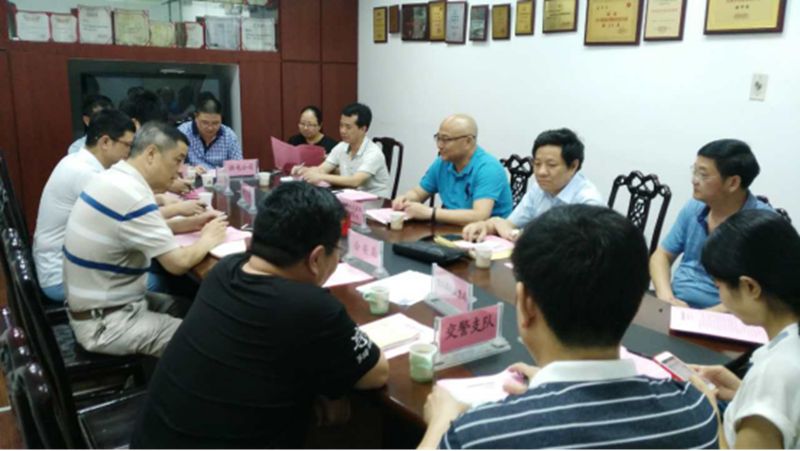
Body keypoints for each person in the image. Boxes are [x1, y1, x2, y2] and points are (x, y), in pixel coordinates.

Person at [419, 205, 719, 450]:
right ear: (636, 303)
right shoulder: (696, 412)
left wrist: (442, 422)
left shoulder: (478, 435)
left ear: (526, 303)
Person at [131, 183, 390, 450]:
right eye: (337, 249)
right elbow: (377, 372)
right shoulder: (312, 307)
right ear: (316, 259)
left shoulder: (225, 271)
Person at [64, 122, 229, 358]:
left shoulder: (116, 178)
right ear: (151, 153)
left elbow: (134, 229)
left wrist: (192, 223)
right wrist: (208, 238)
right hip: (106, 323)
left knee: (194, 309)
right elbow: (178, 263)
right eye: (177, 160)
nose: (180, 171)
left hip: (106, 306)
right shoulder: (133, 195)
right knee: (211, 340)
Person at [689, 210, 800, 451]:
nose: (720, 297)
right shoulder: (789, 347)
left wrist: (709, 412)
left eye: (718, 286)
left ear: (750, 287)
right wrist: (742, 392)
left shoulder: (774, 373)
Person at [651, 140, 773, 311]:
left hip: (728, 317)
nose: (694, 180)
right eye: (694, 171)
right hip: (678, 305)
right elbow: (662, 255)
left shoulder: (763, 225)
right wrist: (666, 298)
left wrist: (700, 317)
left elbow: (762, 293)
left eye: (703, 175)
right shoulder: (694, 207)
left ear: (732, 183)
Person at [34, 111, 137, 302]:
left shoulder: (75, 161)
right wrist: (176, 212)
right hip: (62, 278)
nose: (129, 152)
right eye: (127, 145)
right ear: (105, 142)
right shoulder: (87, 174)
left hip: (58, 264)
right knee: (156, 282)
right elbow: (129, 221)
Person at [462, 128, 604, 242]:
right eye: (537, 164)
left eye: (551, 165)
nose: (541, 172)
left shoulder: (589, 203)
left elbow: (576, 252)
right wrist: (485, 226)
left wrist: (515, 234)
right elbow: (509, 224)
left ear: (573, 166)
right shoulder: (540, 188)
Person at [392, 115, 513, 227]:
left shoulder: (488, 168)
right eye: (438, 138)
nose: (439, 145)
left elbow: (479, 216)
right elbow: (418, 193)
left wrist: (430, 213)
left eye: (446, 140)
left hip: (486, 236)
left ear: (468, 141)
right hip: (450, 229)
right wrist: (405, 199)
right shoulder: (443, 162)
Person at [295, 103, 391, 198]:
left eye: (348, 127)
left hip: (375, 201)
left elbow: (355, 181)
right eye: (341, 125)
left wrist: (320, 177)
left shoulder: (373, 153)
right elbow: (322, 169)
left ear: (363, 129)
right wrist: (304, 170)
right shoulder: (341, 147)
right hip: (351, 196)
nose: (342, 131)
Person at [178, 92, 242, 172]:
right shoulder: (182, 133)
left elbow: (238, 166)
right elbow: (174, 165)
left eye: (215, 123)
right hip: (192, 178)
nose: (210, 128)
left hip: (220, 178)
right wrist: (190, 169)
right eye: (205, 123)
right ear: (196, 117)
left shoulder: (229, 135)